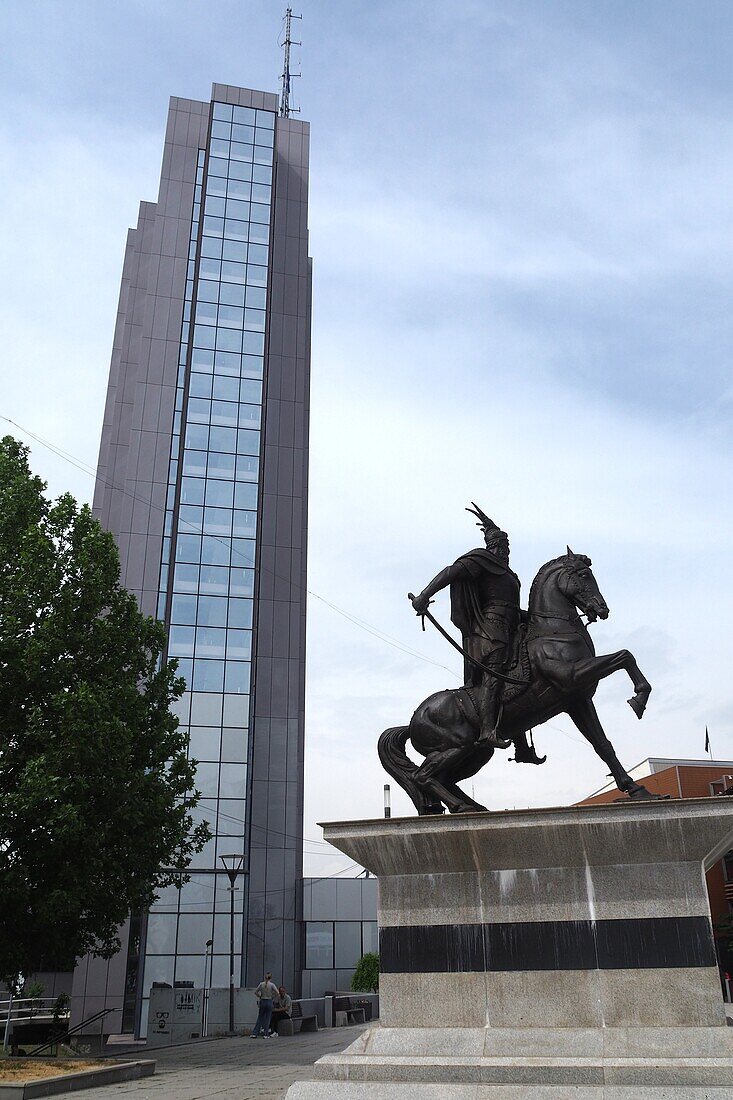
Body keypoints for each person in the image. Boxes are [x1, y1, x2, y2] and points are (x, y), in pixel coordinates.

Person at [411, 503, 521, 749]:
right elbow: (451, 572)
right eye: (501, 546)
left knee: (529, 672)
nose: (505, 551)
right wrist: (424, 595)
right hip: (491, 629)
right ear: (492, 546)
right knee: (496, 673)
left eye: (507, 547)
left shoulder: (510, 574)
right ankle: (487, 730)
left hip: (513, 626)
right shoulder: (481, 559)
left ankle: (521, 741)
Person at [250, 972, 279, 1038]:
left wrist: (260, 996)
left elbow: (256, 992)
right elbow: (277, 993)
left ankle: (255, 1033)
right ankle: (266, 1034)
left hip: (263, 1000)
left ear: (265, 977)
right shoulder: (272, 985)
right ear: (271, 978)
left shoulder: (261, 984)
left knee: (260, 1017)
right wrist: (272, 996)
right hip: (269, 1001)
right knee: (267, 1018)